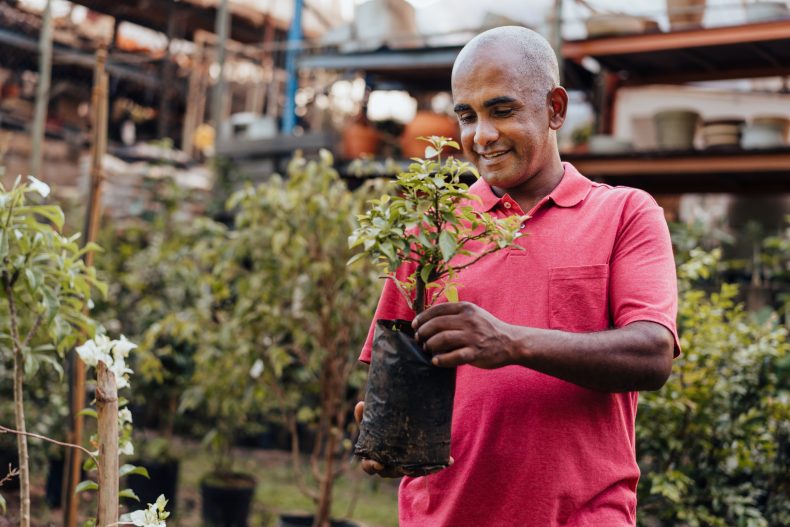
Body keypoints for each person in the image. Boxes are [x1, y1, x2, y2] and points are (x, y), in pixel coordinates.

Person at [355, 25, 680, 527]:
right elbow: (391, 364)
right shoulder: (434, 226)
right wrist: (382, 427)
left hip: (583, 517)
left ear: (554, 108)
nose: (480, 135)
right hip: (442, 516)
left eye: (501, 111)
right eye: (466, 115)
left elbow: (652, 354)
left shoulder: (625, 213)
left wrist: (510, 342)